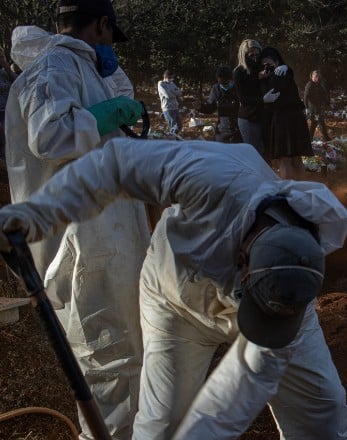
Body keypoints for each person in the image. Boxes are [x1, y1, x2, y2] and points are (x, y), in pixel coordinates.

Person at [0, 138, 347, 440]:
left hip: (267, 308)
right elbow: (116, 164)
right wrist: (39, 214)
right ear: (243, 260)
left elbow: (237, 392)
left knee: (321, 407)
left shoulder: (293, 280)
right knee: (162, 426)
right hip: (176, 305)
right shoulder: (211, 177)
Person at [4, 2, 150, 439]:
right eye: (109, 35)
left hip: (105, 235)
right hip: (85, 245)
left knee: (124, 357)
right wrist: (109, 115)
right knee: (107, 360)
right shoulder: (55, 68)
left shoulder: (81, 70)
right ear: (103, 24)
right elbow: (51, 136)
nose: (111, 48)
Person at [260, 47, 313, 180]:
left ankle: (288, 193)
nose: (267, 67)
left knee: (286, 159)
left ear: (276, 61)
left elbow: (274, 91)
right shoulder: (283, 72)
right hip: (295, 118)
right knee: (295, 158)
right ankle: (300, 191)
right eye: (264, 65)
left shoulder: (280, 73)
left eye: (269, 64)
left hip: (283, 119)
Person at [233, 39, 282, 154]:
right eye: (251, 54)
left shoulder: (260, 68)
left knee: (263, 151)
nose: (255, 57)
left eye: (257, 53)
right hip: (249, 118)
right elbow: (243, 99)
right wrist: (263, 100)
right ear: (244, 55)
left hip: (262, 116)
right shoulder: (239, 72)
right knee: (254, 152)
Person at [199, 65, 241, 143]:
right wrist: (201, 107)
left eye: (225, 81)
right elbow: (211, 107)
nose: (223, 83)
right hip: (222, 128)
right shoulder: (216, 89)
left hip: (237, 128)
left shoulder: (237, 88)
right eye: (221, 81)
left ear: (230, 79)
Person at [304, 69, 331, 141]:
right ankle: (327, 138)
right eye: (315, 76)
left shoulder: (318, 85)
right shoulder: (309, 85)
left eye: (318, 76)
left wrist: (327, 102)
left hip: (318, 108)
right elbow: (305, 96)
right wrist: (306, 108)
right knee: (320, 122)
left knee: (314, 124)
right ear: (312, 77)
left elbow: (323, 95)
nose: (317, 78)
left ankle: (309, 139)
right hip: (313, 109)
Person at [0, 50, 17, 160]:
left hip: (9, 111)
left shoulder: (4, 72)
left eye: (2, 56)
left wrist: (6, 67)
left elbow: (17, 82)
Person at [158, 69, 183, 133]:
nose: (171, 79)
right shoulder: (161, 84)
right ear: (166, 76)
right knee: (173, 126)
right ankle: (172, 140)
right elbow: (168, 95)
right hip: (168, 108)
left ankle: (175, 137)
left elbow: (180, 93)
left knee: (179, 125)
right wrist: (175, 93)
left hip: (175, 107)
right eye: (170, 77)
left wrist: (173, 92)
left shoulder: (172, 84)